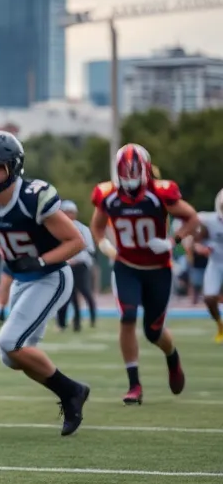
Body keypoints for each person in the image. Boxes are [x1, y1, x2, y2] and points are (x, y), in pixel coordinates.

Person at [0, 131, 90, 436]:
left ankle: (71, 391)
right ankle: (70, 391)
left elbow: (77, 241)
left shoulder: (34, 197)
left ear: (14, 167)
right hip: (22, 281)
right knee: (12, 358)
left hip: (51, 277)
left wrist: (42, 261)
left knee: (9, 342)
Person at [90, 144, 199, 405]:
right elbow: (97, 227)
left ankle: (172, 357)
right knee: (127, 317)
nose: (130, 182)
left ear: (146, 171)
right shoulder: (107, 194)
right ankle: (134, 385)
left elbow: (192, 218)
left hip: (158, 270)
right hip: (127, 266)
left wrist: (173, 241)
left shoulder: (161, 193)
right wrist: (106, 246)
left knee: (153, 331)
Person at [188, 188, 223, 343]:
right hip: (216, 263)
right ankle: (220, 325)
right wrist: (199, 248)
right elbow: (194, 239)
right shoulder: (209, 220)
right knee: (209, 298)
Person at [55, 201, 96, 331]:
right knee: (65, 294)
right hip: (63, 264)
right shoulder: (57, 227)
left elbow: (88, 249)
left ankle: (90, 319)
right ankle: (63, 323)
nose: (68, 215)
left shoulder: (82, 229)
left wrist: (74, 259)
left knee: (84, 292)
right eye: (66, 212)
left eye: (70, 212)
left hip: (79, 265)